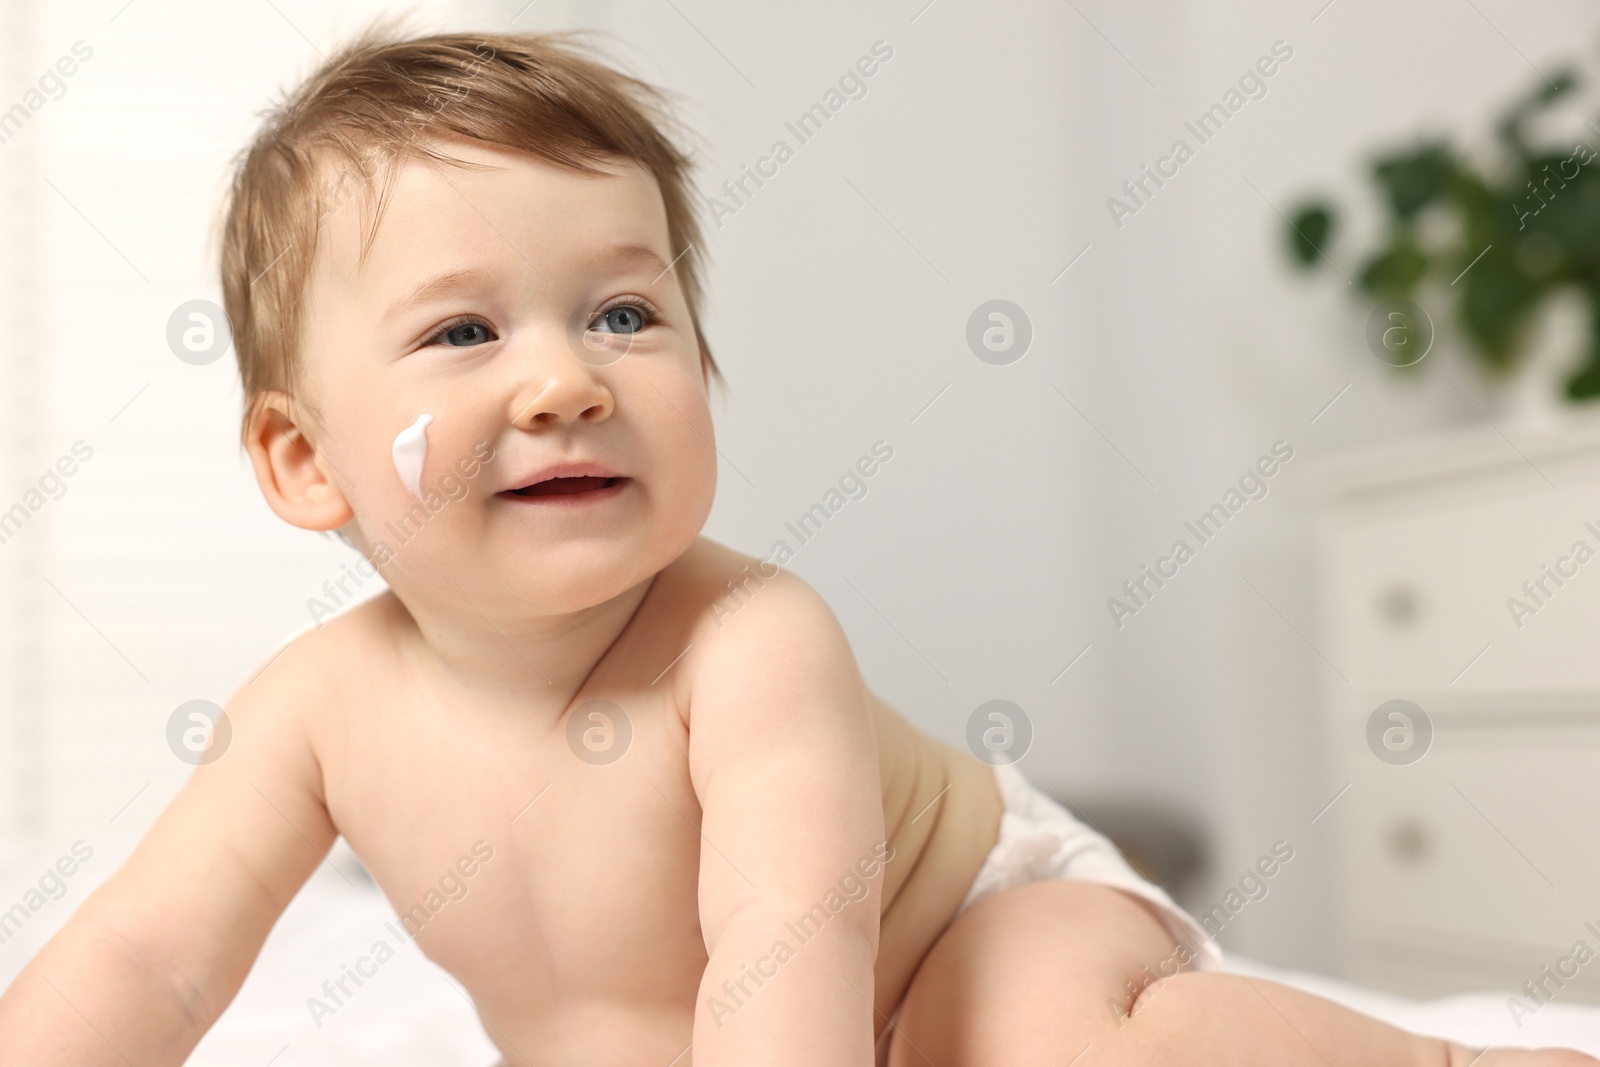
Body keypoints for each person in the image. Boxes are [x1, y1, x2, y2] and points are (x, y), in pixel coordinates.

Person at [0, 23, 1591, 1066]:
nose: (566, 378)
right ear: (300, 459)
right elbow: (148, 960)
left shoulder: (747, 643)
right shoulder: (315, 711)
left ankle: (1449, 1060)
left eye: (626, 313)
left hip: (966, 924)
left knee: (1042, 1047)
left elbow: (785, 946)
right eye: (466, 330)